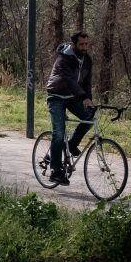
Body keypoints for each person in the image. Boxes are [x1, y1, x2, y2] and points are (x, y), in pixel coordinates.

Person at [45, 31, 95, 184]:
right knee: (58, 134)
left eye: (86, 44)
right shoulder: (63, 59)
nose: (85, 47)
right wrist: (83, 97)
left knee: (89, 118)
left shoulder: (87, 59)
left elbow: (86, 83)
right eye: (82, 44)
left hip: (73, 97)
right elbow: (69, 80)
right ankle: (55, 170)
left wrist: (89, 100)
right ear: (74, 44)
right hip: (57, 97)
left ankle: (72, 144)